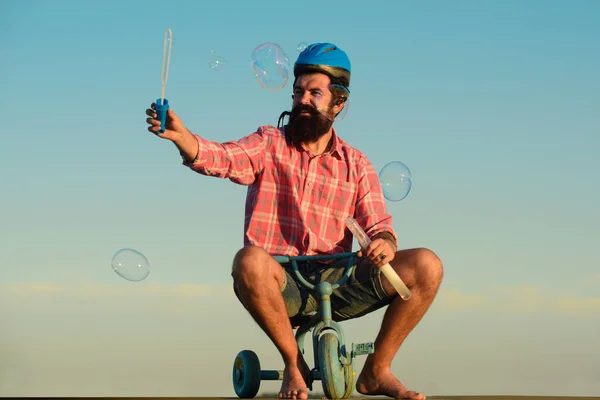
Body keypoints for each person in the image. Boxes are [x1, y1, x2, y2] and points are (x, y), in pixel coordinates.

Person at [145, 42, 443, 400]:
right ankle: (293, 364)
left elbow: (380, 226)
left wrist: (385, 243)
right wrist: (183, 139)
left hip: (340, 281)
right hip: (282, 283)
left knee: (427, 265)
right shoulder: (269, 143)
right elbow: (223, 158)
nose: (303, 99)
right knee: (248, 261)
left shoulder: (357, 165)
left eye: (315, 93)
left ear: (338, 104)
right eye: (298, 91)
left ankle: (377, 371)